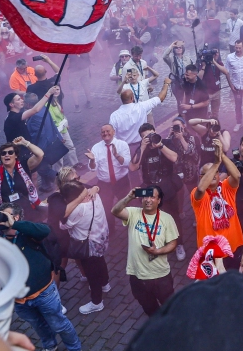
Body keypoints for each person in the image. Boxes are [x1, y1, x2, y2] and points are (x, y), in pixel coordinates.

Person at [0, 203, 87, 351]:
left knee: (59, 324)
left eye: (6, 216)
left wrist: (14, 225)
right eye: (1, 216)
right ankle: (50, 345)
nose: (3, 220)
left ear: (16, 217)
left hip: (44, 293)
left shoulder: (27, 231)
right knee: (38, 325)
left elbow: (45, 231)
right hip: (20, 299)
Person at [111, 185, 179, 317]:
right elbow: (115, 211)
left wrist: (157, 252)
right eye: (145, 196)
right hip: (138, 276)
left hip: (161, 276)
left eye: (152, 197)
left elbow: (173, 243)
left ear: (159, 200)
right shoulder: (133, 213)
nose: (148, 200)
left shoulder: (166, 218)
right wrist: (129, 197)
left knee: (170, 308)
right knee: (149, 308)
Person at [58, 181, 110, 315]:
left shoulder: (79, 209)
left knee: (92, 274)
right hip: (101, 238)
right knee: (101, 260)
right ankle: (105, 284)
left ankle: (97, 302)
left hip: (88, 245)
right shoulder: (95, 196)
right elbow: (95, 187)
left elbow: (63, 226)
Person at [190, 143, 243, 252]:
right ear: (201, 177)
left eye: (216, 172)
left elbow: (237, 176)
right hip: (211, 250)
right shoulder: (196, 192)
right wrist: (216, 163)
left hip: (232, 245)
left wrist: (222, 156)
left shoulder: (226, 186)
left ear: (219, 174)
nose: (213, 175)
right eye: (209, 173)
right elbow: (201, 189)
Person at [0, 138, 45, 218]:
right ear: (1, 157)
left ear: (16, 155)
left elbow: (40, 154)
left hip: (29, 209)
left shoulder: (24, 166)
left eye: (10, 152)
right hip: (10, 215)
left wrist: (25, 143)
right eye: (3, 153)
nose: (7, 155)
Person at [85, 124, 132, 231]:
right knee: (106, 208)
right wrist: (92, 160)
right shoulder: (96, 148)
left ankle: (131, 225)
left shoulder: (122, 144)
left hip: (122, 181)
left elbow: (127, 163)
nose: (105, 133)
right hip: (104, 183)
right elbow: (93, 169)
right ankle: (111, 230)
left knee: (126, 204)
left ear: (114, 132)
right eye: (103, 132)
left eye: (108, 131)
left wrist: (116, 155)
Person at [218, 38, 243, 131]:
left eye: (240, 48)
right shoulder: (229, 57)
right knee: (238, 105)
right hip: (236, 86)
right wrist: (231, 85)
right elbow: (227, 72)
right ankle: (238, 122)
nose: (238, 50)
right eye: (236, 48)